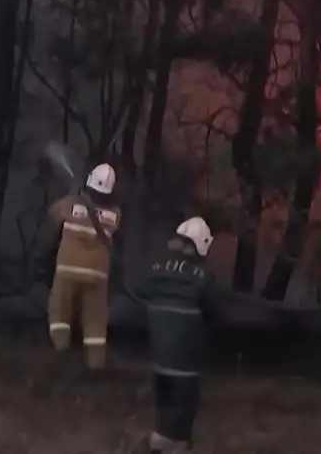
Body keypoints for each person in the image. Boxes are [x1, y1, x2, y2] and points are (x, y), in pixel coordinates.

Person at [136, 216, 217, 454]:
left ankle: (159, 440)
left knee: (164, 399)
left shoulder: (156, 270)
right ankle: (177, 446)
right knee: (184, 405)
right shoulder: (202, 278)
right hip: (186, 360)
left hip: (159, 354)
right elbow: (215, 310)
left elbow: (141, 291)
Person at [48, 162, 121, 369]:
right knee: (95, 320)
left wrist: (74, 194)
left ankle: (61, 350)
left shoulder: (71, 203)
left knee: (59, 310)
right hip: (98, 274)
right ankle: (96, 364)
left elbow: (53, 213)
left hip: (68, 270)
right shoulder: (115, 213)